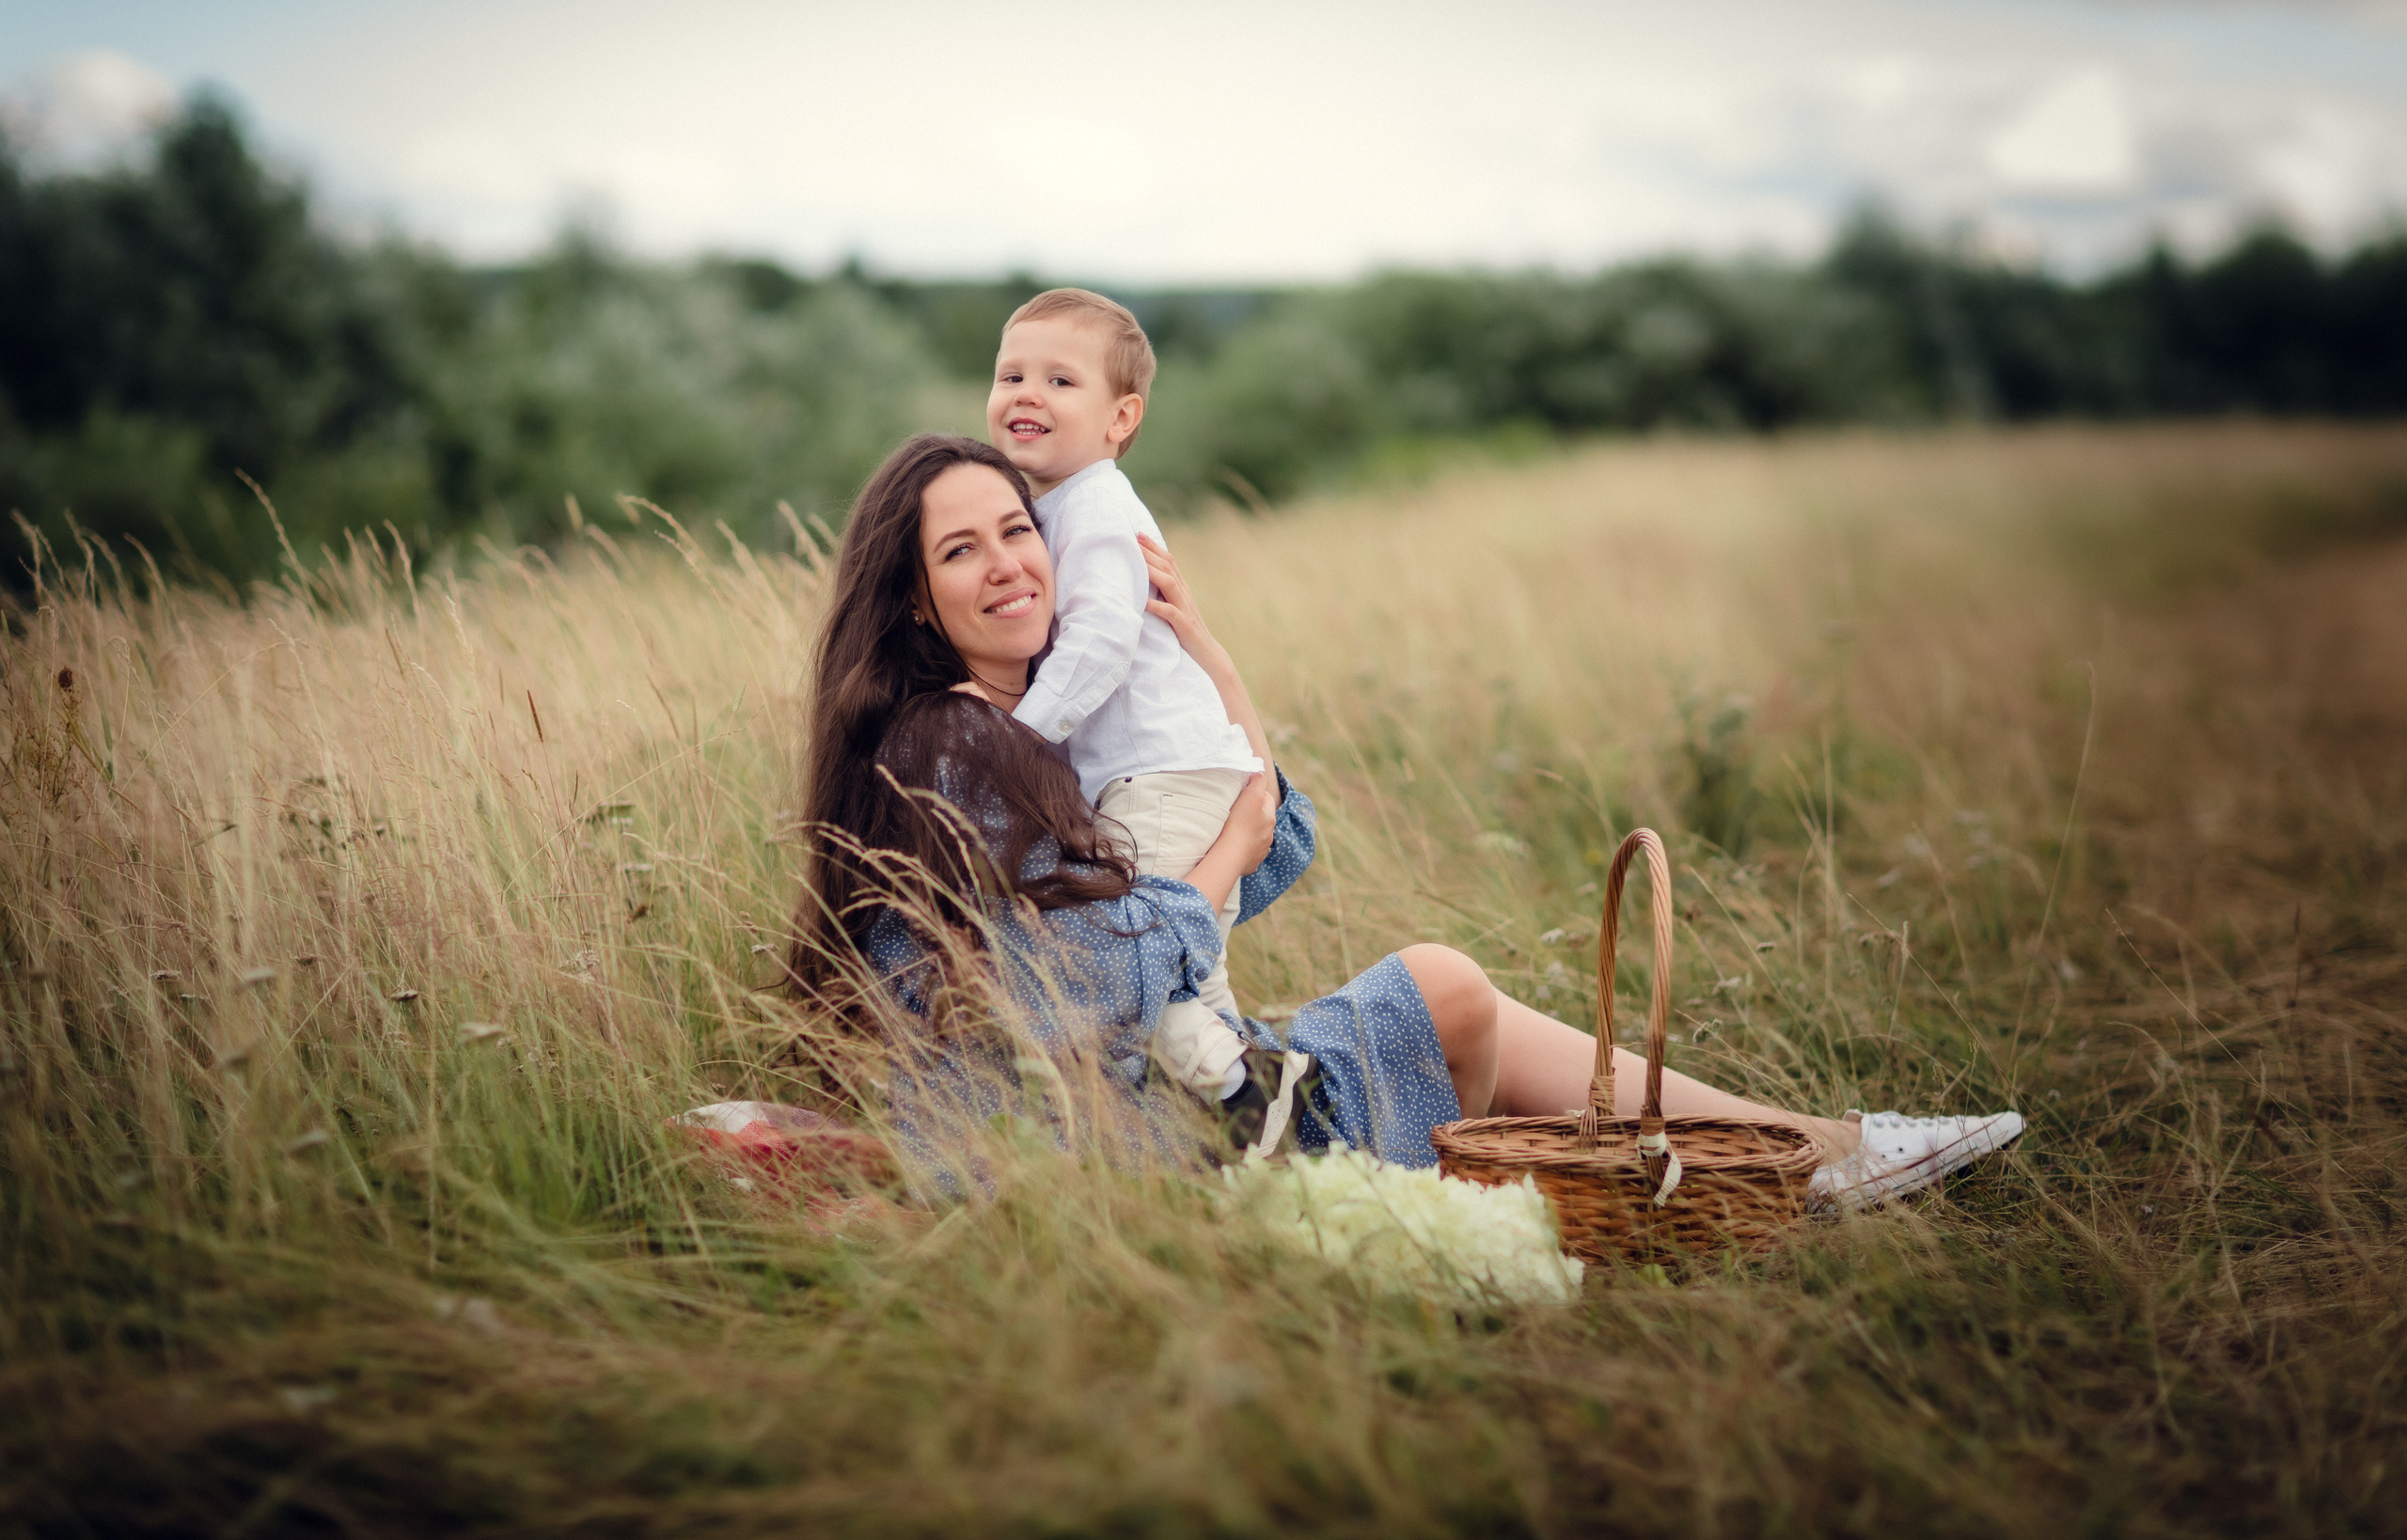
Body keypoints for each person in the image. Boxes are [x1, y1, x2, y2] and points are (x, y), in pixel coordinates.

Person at [788, 432, 2024, 1206]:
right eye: (963, 550)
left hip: (1113, 1107)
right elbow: (1060, 984)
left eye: (1019, 529)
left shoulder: (1034, 725)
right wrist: (1222, 856)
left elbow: (1275, 843)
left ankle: (1794, 1159)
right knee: (1441, 987)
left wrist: (1212, 669)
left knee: (1449, 1004)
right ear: (916, 600)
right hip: (1103, 1149)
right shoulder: (957, 739)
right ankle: (1807, 1159)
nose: (1009, 561)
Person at [979, 289, 1271, 1114]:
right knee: (1191, 979)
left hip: (1161, 781)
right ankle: (1255, 1122)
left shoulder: (1098, 507)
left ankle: (1242, 1090)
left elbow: (1101, 645)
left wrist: (1014, 740)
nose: (1028, 394)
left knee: (1126, 961)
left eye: (1060, 381)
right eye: (1011, 375)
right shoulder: (1057, 508)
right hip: (1172, 779)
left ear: (1121, 418)